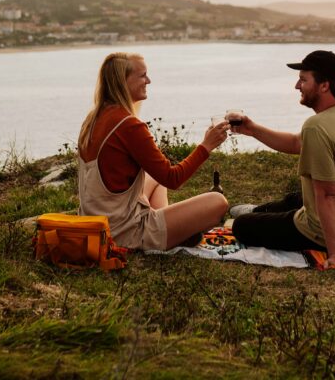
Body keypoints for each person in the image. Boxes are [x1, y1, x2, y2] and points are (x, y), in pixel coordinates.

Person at [230, 50, 335, 272]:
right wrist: (252, 129)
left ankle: (254, 216)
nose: (297, 86)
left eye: (303, 80)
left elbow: (326, 195)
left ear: (323, 85)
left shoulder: (316, 126)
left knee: (242, 227)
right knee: (296, 198)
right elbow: (297, 143)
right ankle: (258, 210)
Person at [78, 52, 229, 251]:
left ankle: (174, 232)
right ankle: (169, 235)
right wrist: (206, 146)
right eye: (142, 75)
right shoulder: (129, 125)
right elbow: (173, 178)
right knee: (218, 202)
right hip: (122, 234)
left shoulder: (94, 118)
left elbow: (159, 176)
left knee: (155, 178)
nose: (148, 80)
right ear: (123, 82)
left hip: (95, 224)